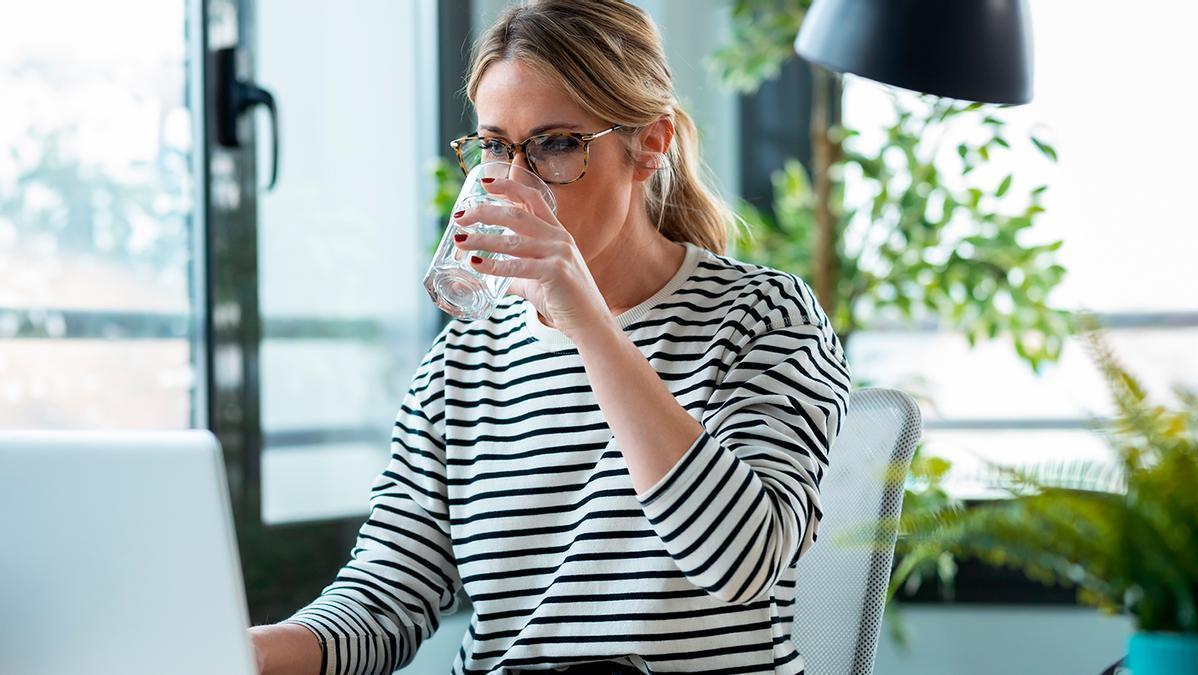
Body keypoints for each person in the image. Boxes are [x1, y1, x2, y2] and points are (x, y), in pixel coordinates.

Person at [248, 1, 850, 673]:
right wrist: (245, 653)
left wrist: (588, 321)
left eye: (557, 143)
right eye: (497, 146)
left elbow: (743, 562)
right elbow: (385, 597)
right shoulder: (460, 366)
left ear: (650, 144)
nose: (514, 178)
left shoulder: (762, 318)